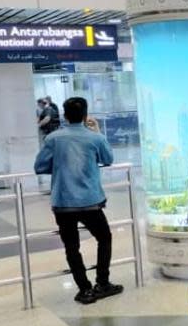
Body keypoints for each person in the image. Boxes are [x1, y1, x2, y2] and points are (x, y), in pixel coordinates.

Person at [34, 97, 122, 305]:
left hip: (63, 202)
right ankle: (103, 282)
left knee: (71, 247)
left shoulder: (54, 139)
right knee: (104, 238)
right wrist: (98, 131)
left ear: (64, 116)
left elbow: (39, 166)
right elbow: (108, 159)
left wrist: (59, 168)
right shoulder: (95, 138)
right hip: (90, 201)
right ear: (85, 115)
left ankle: (85, 289)